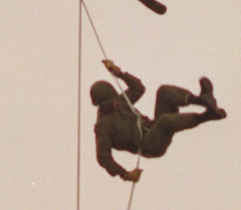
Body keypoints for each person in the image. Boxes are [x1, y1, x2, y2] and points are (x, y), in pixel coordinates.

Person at [91, 59, 226, 182]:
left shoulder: (120, 102)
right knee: (164, 121)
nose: (114, 104)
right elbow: (103, 157)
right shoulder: (103, 126)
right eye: (109, 104)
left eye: (114, 100)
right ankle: (207, 116)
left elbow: (138, 89)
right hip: (149, 145)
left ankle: (202, 99)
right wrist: (125, 174)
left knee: (163, 92)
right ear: (101, 105)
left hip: (152, 127)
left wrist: (119, 73)